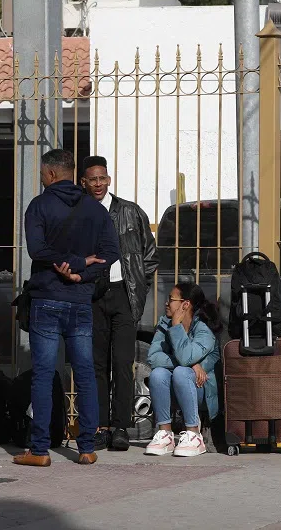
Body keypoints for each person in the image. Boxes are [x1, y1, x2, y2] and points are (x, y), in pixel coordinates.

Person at [14, 149, 120, 467]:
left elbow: (37, 250)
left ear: (49, 174)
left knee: (44, 375)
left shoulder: (39, 206)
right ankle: (86, 447)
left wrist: (67, 266)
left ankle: (40, 450)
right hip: (81, 301)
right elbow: (112, 251)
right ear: (73, 173)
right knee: (85, 374)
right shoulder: (95, 208)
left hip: (47, 298)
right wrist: (81, 273)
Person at [81, 155, 159, 452]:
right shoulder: (80, 212)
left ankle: (121, 427)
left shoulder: (130, 212)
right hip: (93, 295)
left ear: (109, 179)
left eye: (102, 178)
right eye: (92, 179)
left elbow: (149, 256)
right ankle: (100, 426)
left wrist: (139, 286)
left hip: (124, 296)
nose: (98, 184)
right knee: (96, 364)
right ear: (84, 182)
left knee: (124, 363)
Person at [144, 283, 221, 458]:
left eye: (171, 299)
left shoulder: (203, 330)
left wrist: (177, 327)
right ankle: (165, 434)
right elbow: (153, 357)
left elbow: (185, 358)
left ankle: (194, 434)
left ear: (185, 305)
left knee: (181, 372)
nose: (166, 303)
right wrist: (193, 364)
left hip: (201, 391)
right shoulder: (165, 324)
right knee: (158, 374)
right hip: (177, 388)